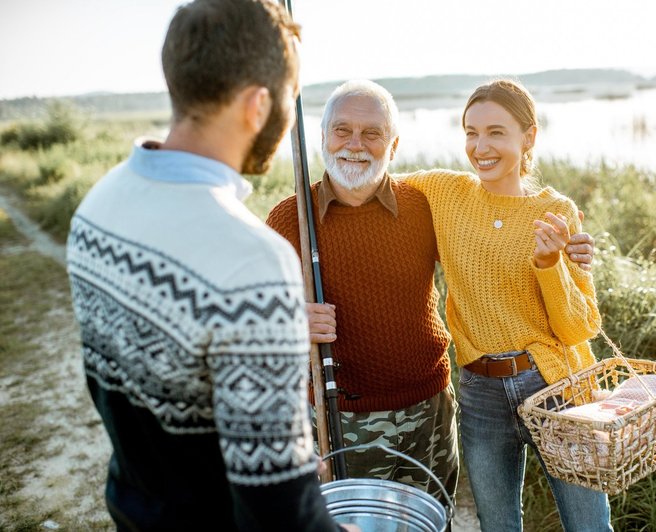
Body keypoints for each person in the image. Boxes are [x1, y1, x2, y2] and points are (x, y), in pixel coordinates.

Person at [65, 1, 354, 530]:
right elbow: (278, 514)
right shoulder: (252, 262)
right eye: (290, 101)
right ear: (257, 105)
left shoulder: (97, 206)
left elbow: (142, 407)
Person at [266, 80, 595, 509]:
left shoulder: (422, 204)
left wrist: (569, 256)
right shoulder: (291, 218)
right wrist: (290, 320)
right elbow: (248, 318)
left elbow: (493, 242)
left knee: (433, 518)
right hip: (339, 419)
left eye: (373, 134)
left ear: (394, 145)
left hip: (432, 410)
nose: (355, 145)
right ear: (324, 136)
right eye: (342, 130)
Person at [402, 79, 613, 531]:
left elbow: (580, 325)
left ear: (528, 137)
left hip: (556, 385)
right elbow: (371, 183)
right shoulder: (444, 193)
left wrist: (548, 263)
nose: (480, 146)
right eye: (471, 132)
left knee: (588, 525)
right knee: (497, 526)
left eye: (496, 132)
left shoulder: (556, 210)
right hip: (480, 392)